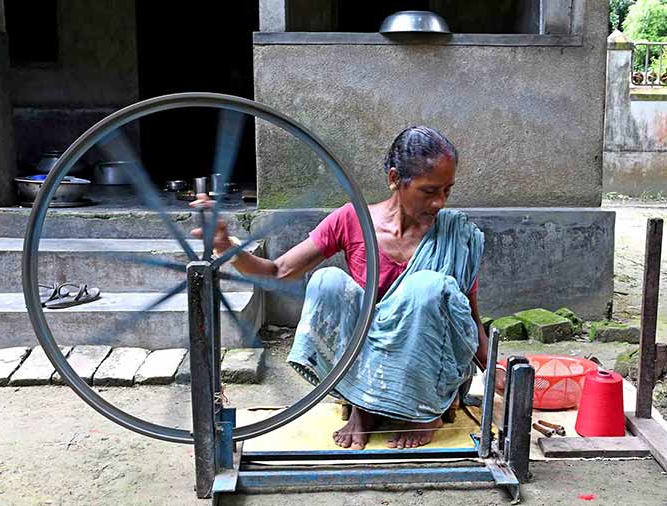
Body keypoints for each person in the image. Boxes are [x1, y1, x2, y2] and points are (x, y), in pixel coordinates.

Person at [192, 126, 489, 450]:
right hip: (368, 355)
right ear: (394, 178)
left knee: (430, 287)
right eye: (428, 190)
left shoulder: (456, 234)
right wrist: (226, 246)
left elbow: (467, 318)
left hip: (431, 371)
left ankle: (424, 412)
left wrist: (495, 370)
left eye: (447, 190)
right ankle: (362, 406)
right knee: (328, 281)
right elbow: (278, 270)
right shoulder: (352, 220)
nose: (439, 203)